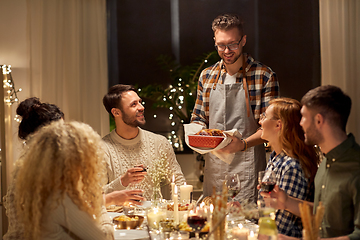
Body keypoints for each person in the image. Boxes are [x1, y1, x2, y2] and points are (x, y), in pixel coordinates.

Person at [3, 97, 142, 240]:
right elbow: (103, 236)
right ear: (46, 137)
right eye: (62, 134)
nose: (67, 141)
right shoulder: (52, 190)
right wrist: (101, 207)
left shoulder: (31, 168)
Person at [190, 13, 280, 202]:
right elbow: (198, 117)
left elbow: (270, 127)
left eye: (233, 44)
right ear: (215, 41)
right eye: (221, 45)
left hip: (248, 164)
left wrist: (243, 144)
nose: (227, 50)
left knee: (246, 223)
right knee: (214, 223)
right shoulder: (207, 76)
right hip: (214, 165)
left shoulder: (263, 75)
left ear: (243, 40)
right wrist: (198, 135)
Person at [261, 85, 360, 240]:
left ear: (319, 120)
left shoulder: (355, 167)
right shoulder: (327, 161)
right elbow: (324, 214)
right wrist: (287, 202)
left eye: (304, 117)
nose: (300, 124)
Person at [14, 121, 114, 240]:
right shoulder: (60, 200)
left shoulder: (45, 191)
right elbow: (105, 237)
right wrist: (100, 204)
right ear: (73, 160)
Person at [102, 84, 186, 200]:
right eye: (133, 104)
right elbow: (95, 196)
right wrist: (122, 181)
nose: (141, 107)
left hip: (155, 216)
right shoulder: (101, 148)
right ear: (116, 113)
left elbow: (179, 182)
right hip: (117, 217)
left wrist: (181, 211)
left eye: (140, 102)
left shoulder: (159, 143)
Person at [258, 98, 318, 237]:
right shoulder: (275, 159)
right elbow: (268, 213)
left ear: (278, 125)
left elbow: (280, 227)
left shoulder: (291, 167)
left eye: (264, 116)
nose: (260, 121)